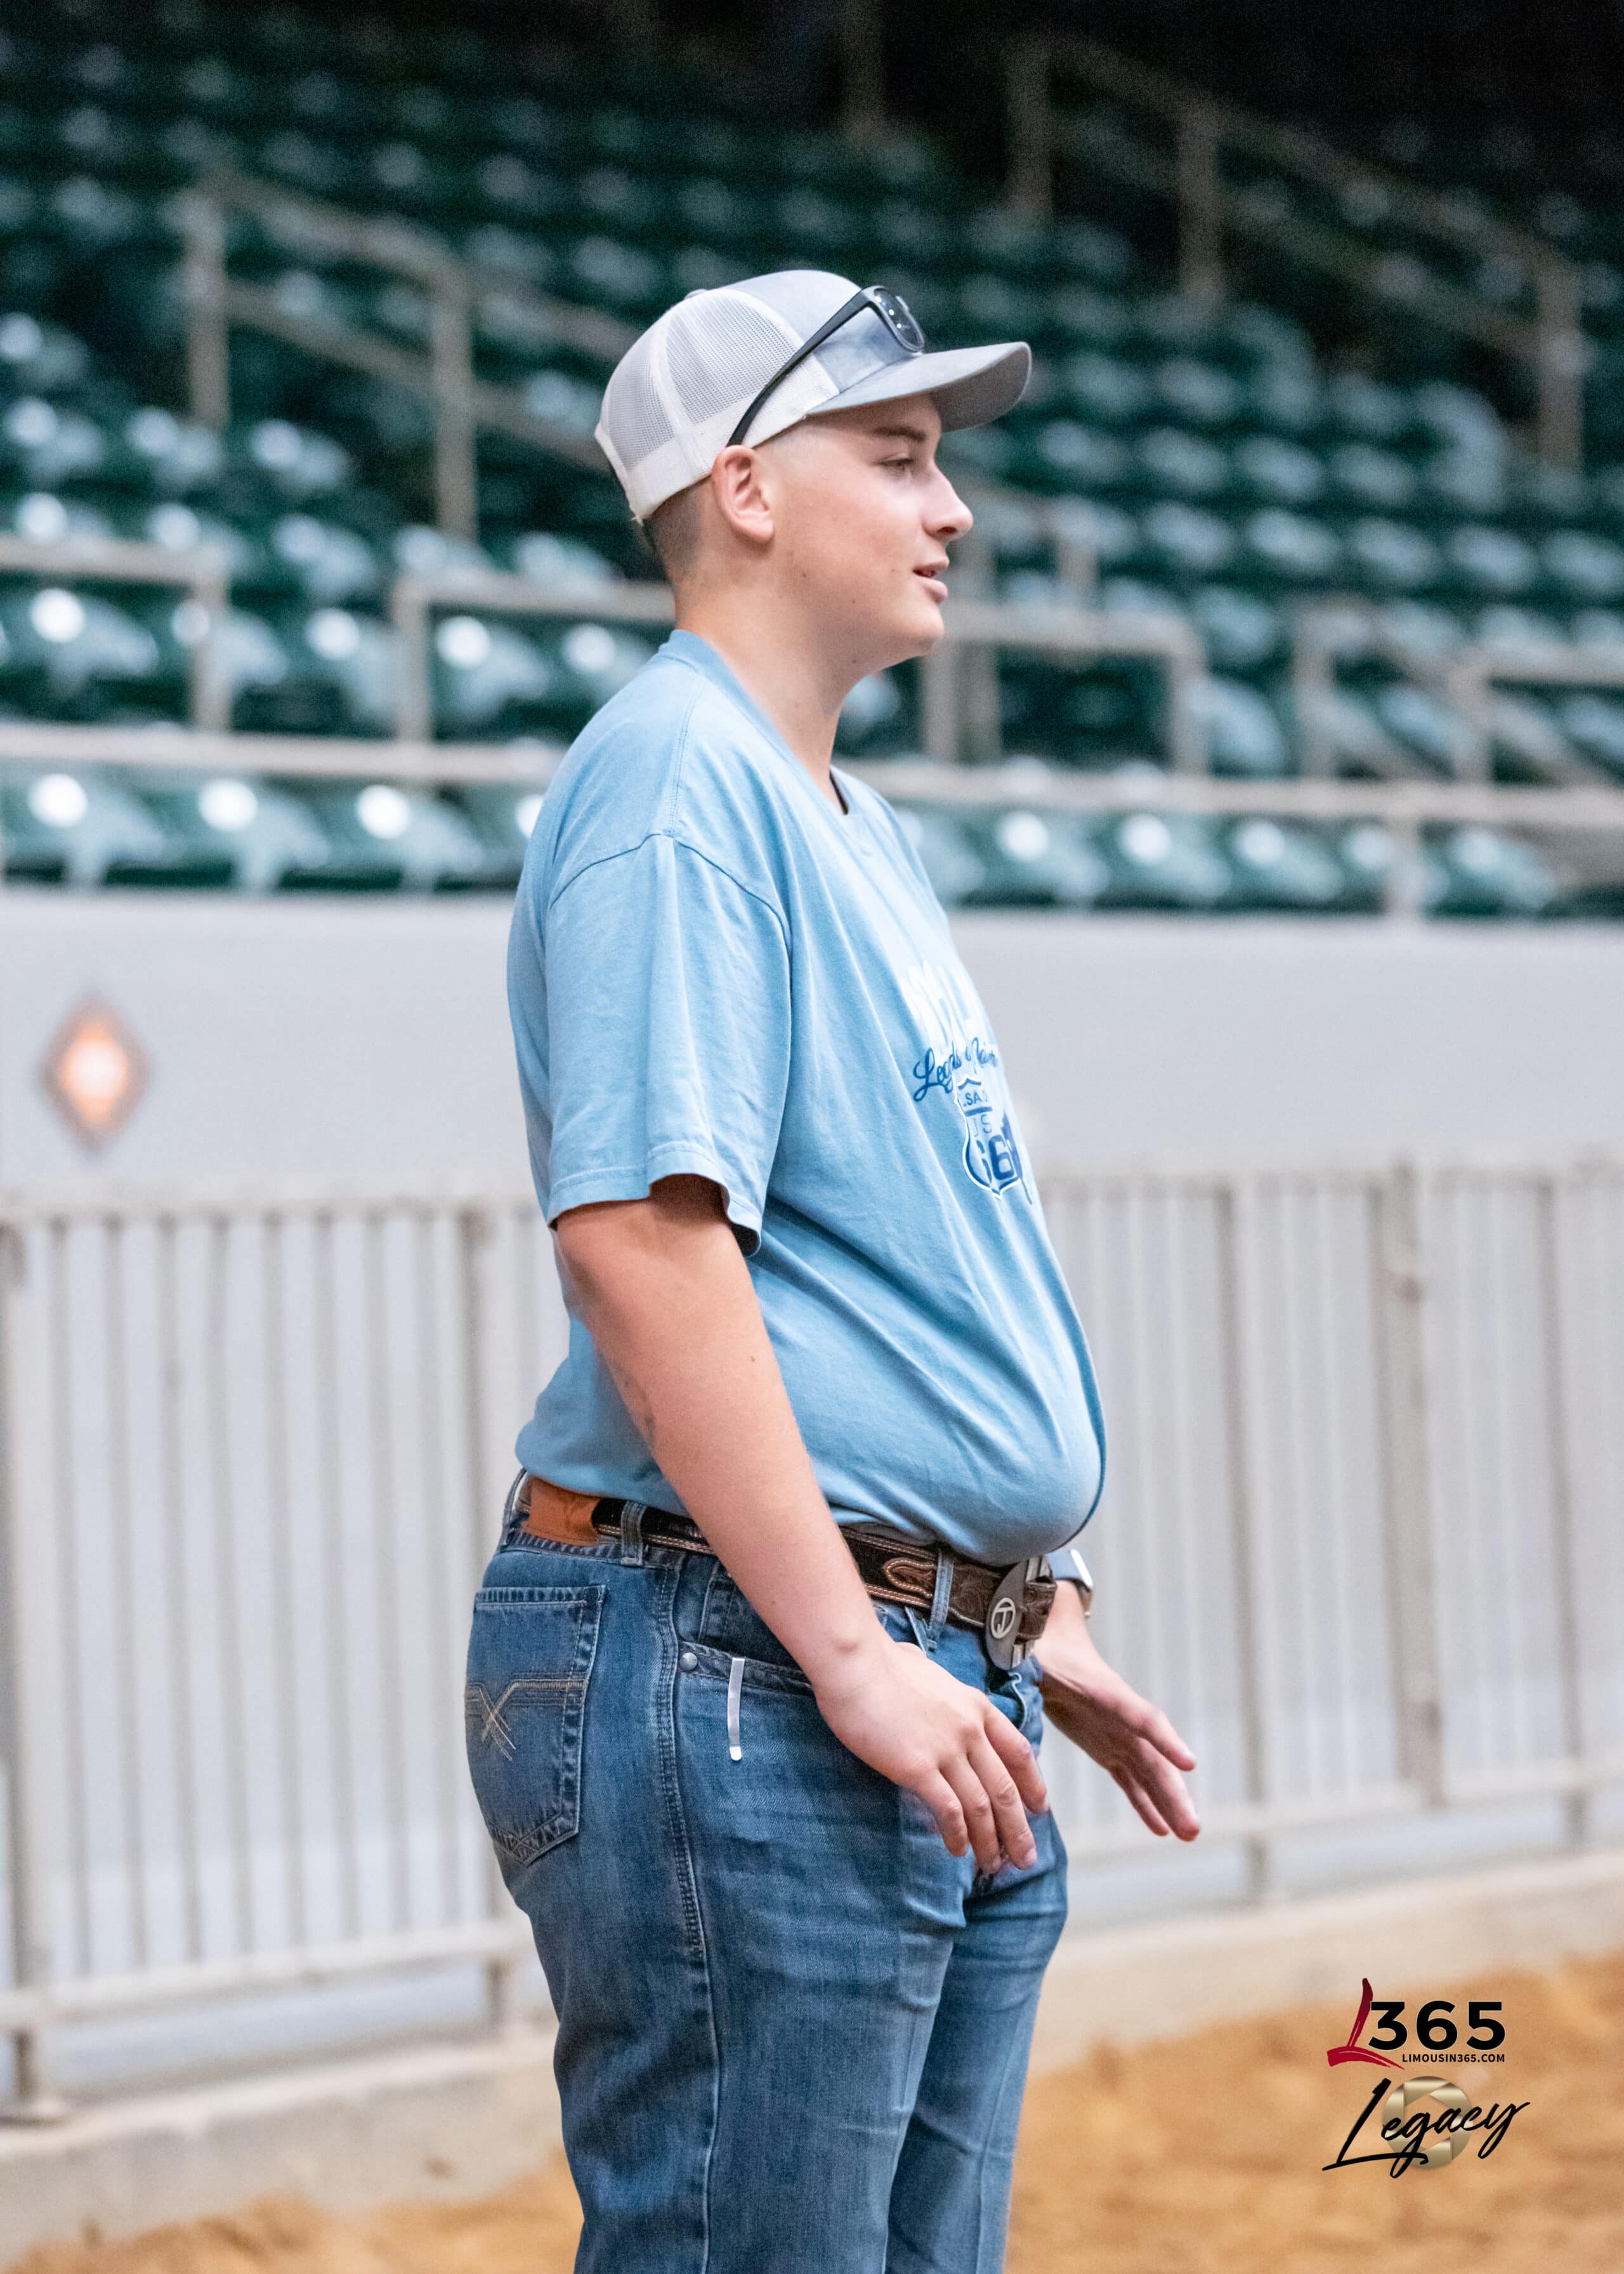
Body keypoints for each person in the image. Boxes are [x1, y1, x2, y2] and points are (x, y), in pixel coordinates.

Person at [464, 269, 1200, 2274]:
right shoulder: (680, 782)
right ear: (749, 489)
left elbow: (862, 1278)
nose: (949, 507)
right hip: (746, 1662)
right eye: (899, 456)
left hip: (854, 1654)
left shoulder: (836, 816)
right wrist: (866, 1642)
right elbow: (641, 1243)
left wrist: (1001, 1604)